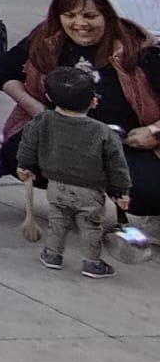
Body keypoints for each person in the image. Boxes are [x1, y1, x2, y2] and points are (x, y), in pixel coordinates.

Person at [0, 0, 160, 215]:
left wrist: (153, 131)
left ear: (107, 16)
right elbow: (3, 71)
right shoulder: (48, 39)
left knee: (149, 193)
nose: (80, 24)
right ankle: (81, 195)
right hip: (64, 133)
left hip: (125, 141)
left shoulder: (137, 48)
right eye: (70, 15)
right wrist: (40, 112)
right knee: (20, 155)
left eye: (90, 16)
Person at [17, 67, 134, 278]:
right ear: (94, 101)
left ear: (49, 97)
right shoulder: (103, 131)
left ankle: (52, 255)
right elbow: (117, 165)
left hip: (56, 184)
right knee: (90, 226)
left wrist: (24, 166)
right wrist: (121, 192)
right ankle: (92, 263)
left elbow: (28, 143)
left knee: (58, 220)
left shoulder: (43, 120)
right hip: (90, 189)